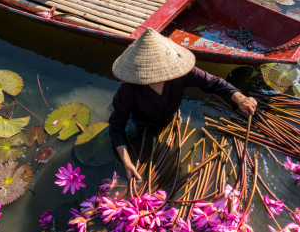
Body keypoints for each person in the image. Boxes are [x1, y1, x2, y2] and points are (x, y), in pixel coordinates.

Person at [109, 28, 257, 180]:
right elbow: (115, 127)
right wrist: (127, 162)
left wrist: (238, 97)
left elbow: (213, 82)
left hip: (170, 117)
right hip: (142, 123)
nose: (158, 76)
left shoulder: (179, 72)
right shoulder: (128, 89)